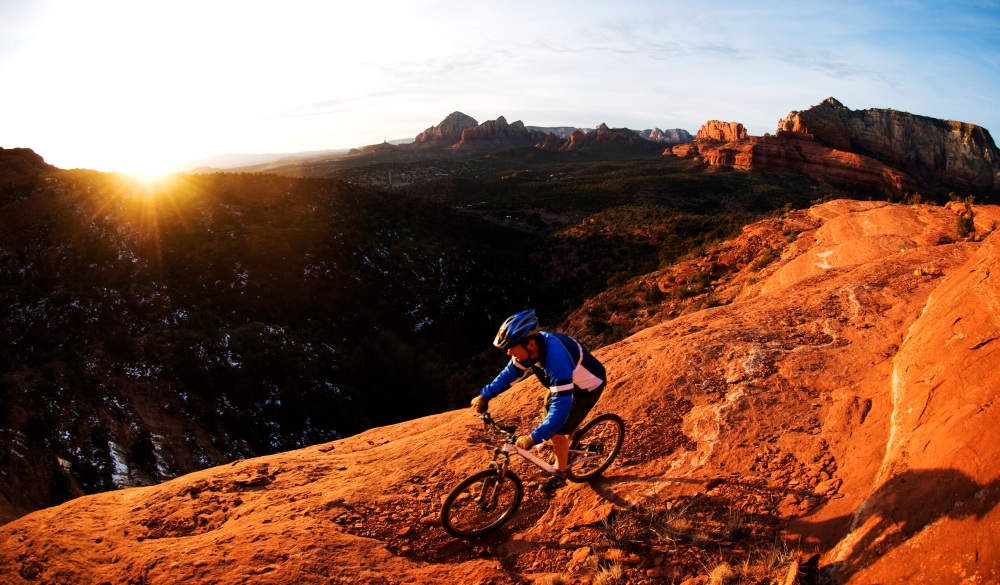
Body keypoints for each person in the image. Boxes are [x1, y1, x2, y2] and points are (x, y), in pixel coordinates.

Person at [471, 309, 607, 491]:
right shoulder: (532, 348)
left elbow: (561, 404)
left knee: (556, 432)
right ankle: (573, 441)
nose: (508, 352)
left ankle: (560, 473)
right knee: (549, 409)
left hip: (586, 388)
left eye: (511, 346)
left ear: (531, 344)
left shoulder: (555, 357)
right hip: (566, 384)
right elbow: (510, 373)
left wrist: (535, 437)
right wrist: (485, 395)